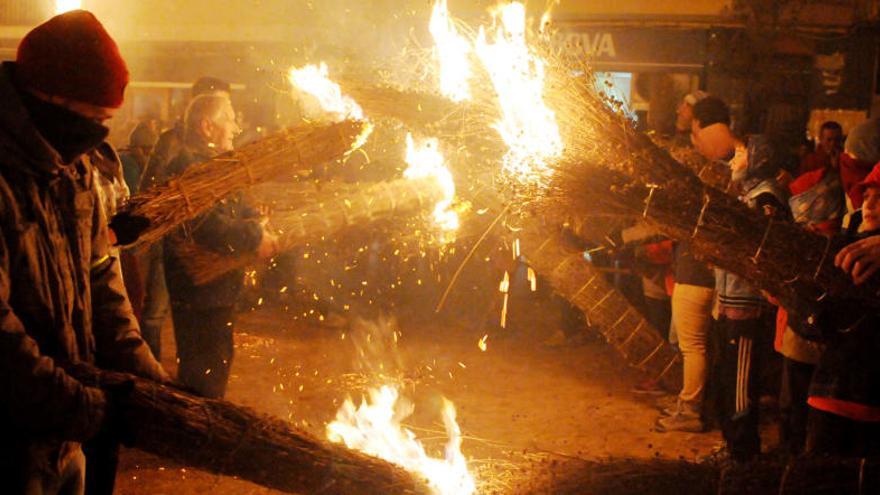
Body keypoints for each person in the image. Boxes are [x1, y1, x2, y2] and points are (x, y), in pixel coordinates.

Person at [0, 10, 169, 494]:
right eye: (92, 118)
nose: (98, 135)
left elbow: (101, 279)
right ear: (47, 98)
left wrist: (147, 378)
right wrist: (84, 408)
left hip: (63, 442)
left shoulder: (77, 174)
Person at [691, 96, 789, 461]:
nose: (737, 159)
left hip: (746, 309)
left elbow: (760, 249)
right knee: (725, 377)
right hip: (729, 302)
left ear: (759, 160)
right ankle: (732, 445)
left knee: (739, 384)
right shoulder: (746, 193)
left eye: (744, 154)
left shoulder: (766, 197)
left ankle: (743, 453)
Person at [163, 94, 277, 398]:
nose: (235, 127)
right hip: (200, 295)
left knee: (218, 363)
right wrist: (255, 236)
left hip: (218, 291)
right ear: (206, 126)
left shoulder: (217, 167)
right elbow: (207, 227)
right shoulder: (191, 170)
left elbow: (237, 208)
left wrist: (257, 221)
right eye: (229, 118)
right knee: (203, 374)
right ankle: (197, 436)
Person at [135, 77, 232, 360]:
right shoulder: (173, 143)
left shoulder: (217, 152)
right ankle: (150, 370)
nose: (227, 109)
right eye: (219, 103)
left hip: (202, 246)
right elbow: (152, 188)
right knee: (156, 310)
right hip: (172, 237)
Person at [787, 163, 880, 457]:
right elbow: (809, 324)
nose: (870, 204)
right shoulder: (840, 251)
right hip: (833, 396)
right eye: (867, 196)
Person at [119, 121, 157, 195]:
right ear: (138, 149)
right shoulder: (130, 164)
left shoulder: (126, 158)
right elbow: (134, 195)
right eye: (149, 148)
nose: (150, 154)